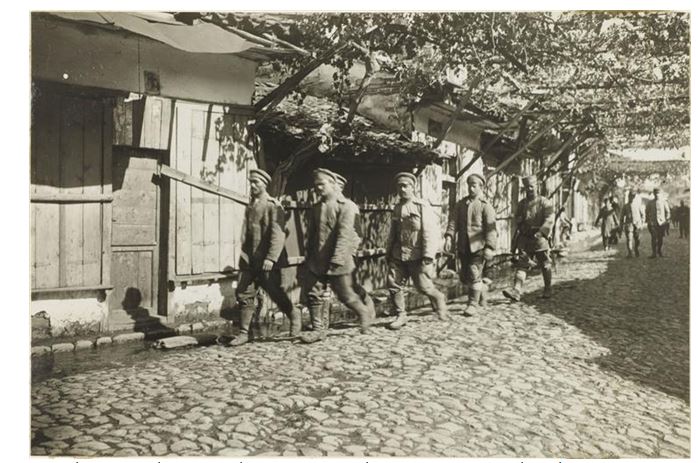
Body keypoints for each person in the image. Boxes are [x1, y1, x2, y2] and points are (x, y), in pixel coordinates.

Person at [299, 168, 374, 343]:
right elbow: (312, 236)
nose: (318, 188)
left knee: (345, 295)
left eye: (321, 184)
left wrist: (338, 258)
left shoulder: (346, 206)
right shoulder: (316, 207)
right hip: (318, 260)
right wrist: (309, 258)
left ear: (332, 184)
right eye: (316, 185)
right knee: (313, 293)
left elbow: (345, 234)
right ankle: (318, 330)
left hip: (339, 260)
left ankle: (364, 313)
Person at [227, 169, 300, 346]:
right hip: (250, 259)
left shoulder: (273, 206)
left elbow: (278, 234)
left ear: (264, 185)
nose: (252, 186)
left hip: (267, 261)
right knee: (244, 293)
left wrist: (271, 258)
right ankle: (244, 333)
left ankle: (294, 315)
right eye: (251, 182)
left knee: (275, 293)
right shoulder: (251, 206)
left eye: (256, 182)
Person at [385, 172, 448, 329]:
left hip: (417, 255)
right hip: (398, 254)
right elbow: (393, 233)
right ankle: (401, 315)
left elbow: (430, 233)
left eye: (405, 186)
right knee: (393, 284)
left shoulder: (421, 206)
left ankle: (439, 298)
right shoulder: (397, 208)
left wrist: (428, 257)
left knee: (423, 287)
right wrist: (388, 252)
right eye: (399, 186)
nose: (402, 189)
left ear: (413, 187)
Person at [444, 173, 497, 316]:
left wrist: (489, 247)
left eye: (474, 186)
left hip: (478, 246)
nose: (471, 188)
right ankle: (482, 293)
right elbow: (453, 222)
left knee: (474, 273)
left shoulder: (485, 206)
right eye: (469, 185)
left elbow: (491, 229)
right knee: (465, 277)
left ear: (481, 187)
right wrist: (449, 237)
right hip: (463, 246)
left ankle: (472, 304)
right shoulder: (461, 205)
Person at [503, 175, 555, 301]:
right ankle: (516, 291)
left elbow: (549, 219)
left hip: (540, 238)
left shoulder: (545, 202)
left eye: (531, 186)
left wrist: (542, 232)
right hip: (525, 238)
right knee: (522, 264)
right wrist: (519, 221)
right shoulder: (522, 204)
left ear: (537, 186)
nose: (529, 189)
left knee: (545, 264)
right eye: (527, 187)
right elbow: (518, 219)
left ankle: (548, 288)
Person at [333, 173, 376, 319]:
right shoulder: (326, 205)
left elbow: (357, 232)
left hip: (346, 252)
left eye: (334, 185)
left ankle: (367, 304)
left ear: (340, 187)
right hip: (328, 253)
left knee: (350, 285)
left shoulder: (349, 206)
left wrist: (351, 251)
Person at [619, 189, 645, 258]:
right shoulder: (625, 206)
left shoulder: (638, 205)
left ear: (634, 197)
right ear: (628, 197)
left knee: (637, 239)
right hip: (629, 224)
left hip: (637, 224)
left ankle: (636, 249)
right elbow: (621, 217)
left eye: (633, 197)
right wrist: (621, 226)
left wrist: (642, 223)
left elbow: (643, 215)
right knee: (629, 239)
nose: (631, 198)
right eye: (630, 196)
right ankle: (630, 252)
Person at [646, 187, 671, 257]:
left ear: (660, 194)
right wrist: (648, 220)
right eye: (655, 193)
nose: (657, 195)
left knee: (660, 238)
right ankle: (654, 253)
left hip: (662, 223)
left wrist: (666, 219)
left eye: (658, 193)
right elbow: (647, 212)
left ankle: (659, 250)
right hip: (653, 223)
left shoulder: (664, 202)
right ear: (653, 194)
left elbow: (668, 212)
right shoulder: (650, 203)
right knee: (653, 238)